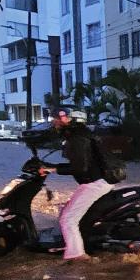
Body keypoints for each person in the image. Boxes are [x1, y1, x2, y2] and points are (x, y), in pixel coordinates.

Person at [41, 108, 118, 261]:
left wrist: (53, 169)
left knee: (67, 219)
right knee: (65, 212)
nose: (54, 122)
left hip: (94, 184)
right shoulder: (80, 134)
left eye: (57, 119)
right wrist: (51, 166)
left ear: (69, 120)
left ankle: (77, 255)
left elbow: (79, 167)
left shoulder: (77, 138)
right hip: (96, 182)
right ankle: (73, 244)